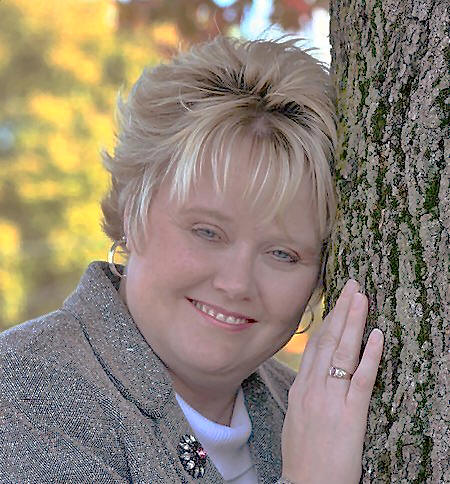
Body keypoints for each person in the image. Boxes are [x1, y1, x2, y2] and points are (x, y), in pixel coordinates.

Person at [0, 35, 384, 483]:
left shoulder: (317, 413)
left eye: (282, 253)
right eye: (207, 232)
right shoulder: (24, 396)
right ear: (133, 210)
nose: (236, 283)